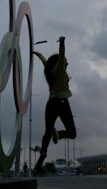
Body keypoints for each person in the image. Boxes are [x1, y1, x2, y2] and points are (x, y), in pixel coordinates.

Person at [33, 36, 76, 173]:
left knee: (47, 133)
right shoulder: (60, 69)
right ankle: (58, 133)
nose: (67, 62)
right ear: (60, 62)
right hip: (62, 103)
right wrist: (63, 42)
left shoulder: (50, 72)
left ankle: (39, 163)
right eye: (65, 61)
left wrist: (37, 54)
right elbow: (62, 55)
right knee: (72, 133)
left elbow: (44, 61)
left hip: (51, 104)